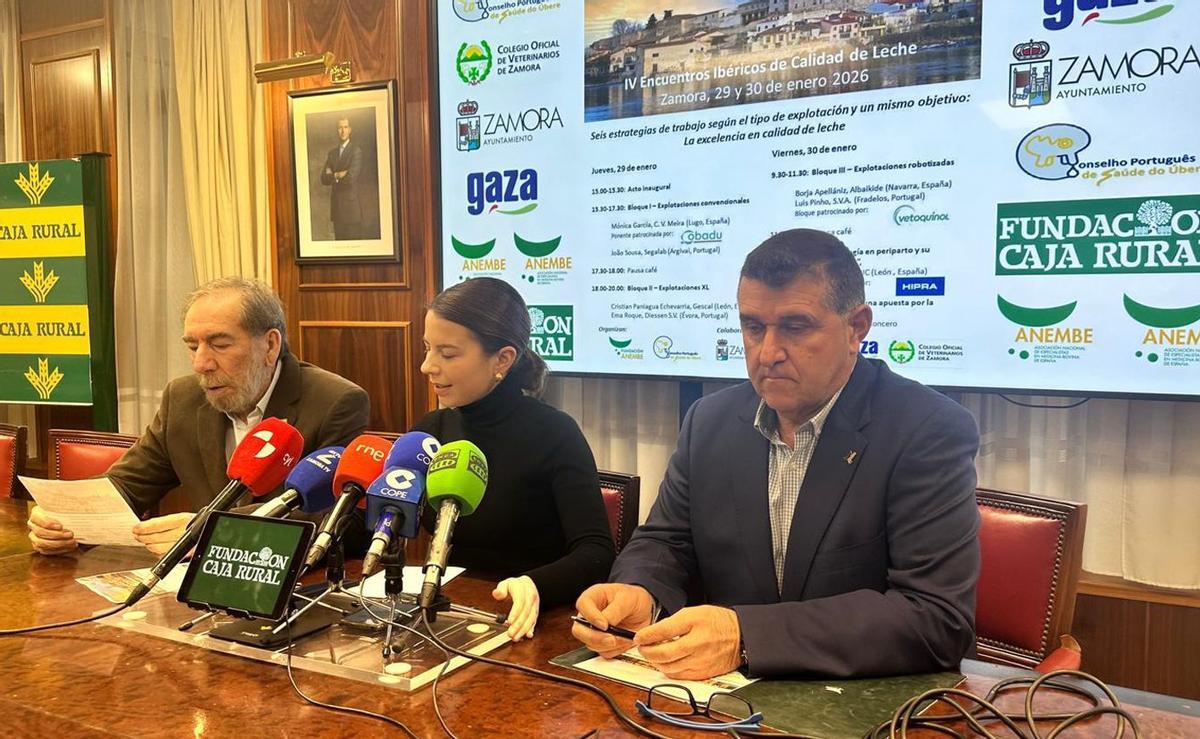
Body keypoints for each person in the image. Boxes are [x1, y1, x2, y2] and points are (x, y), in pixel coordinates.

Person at [573, 229, 981, 679]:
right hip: (715, 704)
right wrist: (640, 592)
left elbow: (936, 618)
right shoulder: (709, 421)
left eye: (795, 326)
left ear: (856, 328)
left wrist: (746, 636)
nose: (768, 353)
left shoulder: (926, 429)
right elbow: (665, 542)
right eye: (753, 327)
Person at [27, 277, 370, 556]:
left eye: (219, 345)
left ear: (270, 345)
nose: (200, 364)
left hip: (296, 595)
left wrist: (211, 530)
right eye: (193, 346)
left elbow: (338, 521)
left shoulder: (335, 402)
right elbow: (125, 486)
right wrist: (63, 517)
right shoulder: (183, 398)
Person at [412, 277, 615, 641]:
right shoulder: (431, 431)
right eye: (427, 348)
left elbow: (596, 552)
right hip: (445, 620)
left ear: (502, 359)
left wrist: (535, 584)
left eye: (447, 353)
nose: (427, 366)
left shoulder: (554, 433)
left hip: (525, 627)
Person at [320, 117, 364, 240]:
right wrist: (338, 175)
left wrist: (332, 175)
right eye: (340, 128)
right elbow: (323, 178)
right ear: (337, 130)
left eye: (345, 127)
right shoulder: (332, 153)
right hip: (337, 209)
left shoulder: (356, 151)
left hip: (351, 211)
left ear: (350, 130)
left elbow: (351, 178)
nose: (343, 131)